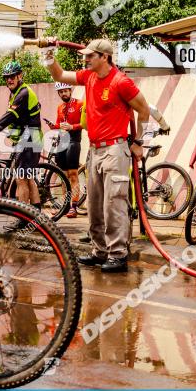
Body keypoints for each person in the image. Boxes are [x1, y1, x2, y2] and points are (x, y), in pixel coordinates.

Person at [46, 39, 151, 273]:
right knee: (94, 204)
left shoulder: (120, 82)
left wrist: (140, 142)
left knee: (114, 204)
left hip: (115, 149)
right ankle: (99, 251)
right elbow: (61, 75)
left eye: (90, 56)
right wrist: (49, 57)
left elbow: (143, 110)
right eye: (85, 56)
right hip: (94, 149)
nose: (85, 59)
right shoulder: (89, 76)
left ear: (105, 57)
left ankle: (118, 254)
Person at [0, 60, 43, 227]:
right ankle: (36, 218)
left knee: (21, 179)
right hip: (30, 137)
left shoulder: (23, 94)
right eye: (6, 77)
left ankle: (23, 219)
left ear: (20, 75)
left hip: (29, 138)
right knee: (28, 179)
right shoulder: (16, 93)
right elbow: (15, 118)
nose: (9, 80)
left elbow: (9, 117)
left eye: (12, 76)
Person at [45, 82, 84, 218]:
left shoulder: (80, 104)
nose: (63, 94)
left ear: (70, 90)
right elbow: (58, 125)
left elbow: (85, 123)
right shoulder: (60, 107)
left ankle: (74, 206)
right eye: (60, 92)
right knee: (62, 175)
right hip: (62, 141)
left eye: (65, 91)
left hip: (74, 140)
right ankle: (65, 205)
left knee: (73, 174)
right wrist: (53, 126)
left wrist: (72, 127)